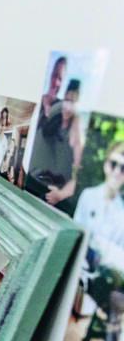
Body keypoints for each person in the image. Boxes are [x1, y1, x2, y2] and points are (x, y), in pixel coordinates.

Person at [26, 78, 83, 207]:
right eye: (67, 100)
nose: (68, 107)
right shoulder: (53, 117)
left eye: (73, 103)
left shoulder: (76, 134)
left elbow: (78, 177)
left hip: (52, 195)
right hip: (32, 182)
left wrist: (61, 194)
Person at [73, 140, 124, 250]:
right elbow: (74, 236)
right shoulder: (87, 196)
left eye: (123, 168)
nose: (117, 172)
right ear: (106, 165)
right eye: (113, 164)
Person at [38, 56, 68, 133]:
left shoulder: (61, 109)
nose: (56, 82)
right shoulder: (38, 100)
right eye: (55, 75)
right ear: (50, 75)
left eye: (60, 79)